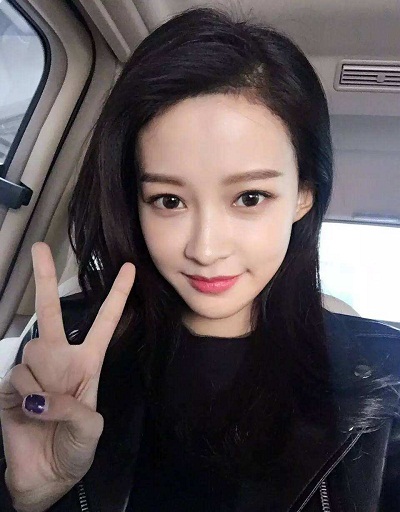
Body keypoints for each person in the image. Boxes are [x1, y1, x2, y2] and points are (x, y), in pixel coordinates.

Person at [0, 6, 399, 512]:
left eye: (250, 197)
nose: (205, 249)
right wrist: (32, 498)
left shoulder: (386, 372)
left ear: (304, 195)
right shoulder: (67, 346)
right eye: (169, 201)